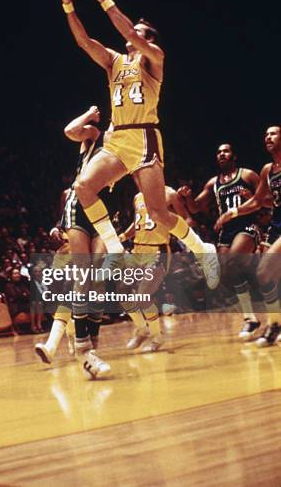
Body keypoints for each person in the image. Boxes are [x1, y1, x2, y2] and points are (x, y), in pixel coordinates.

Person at [55, 0, 220, 291]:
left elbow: (129, 29)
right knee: (84, 186)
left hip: (145, 138)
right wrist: (67, 6)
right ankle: (114, 246)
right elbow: (83, 41)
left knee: (159, 213)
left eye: (139, 33)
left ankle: (202, 249)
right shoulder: (114, 61)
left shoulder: (155, 59)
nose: (131, 35)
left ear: (148, 39)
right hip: (118, 138)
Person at [36, 106, 121, 379]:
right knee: (83, 276)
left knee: (97, 279)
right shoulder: (95, 135)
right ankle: (84, 347)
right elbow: (69, 130)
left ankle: (89, 347)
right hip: (79, 207)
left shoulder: (130, 147)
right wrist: (89, 113)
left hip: (105, 212)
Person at [178, 144, 261, 340]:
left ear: (234, 155)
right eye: (218, 152)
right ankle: (250, 318)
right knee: (225, 272)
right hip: (226, 232)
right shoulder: (213, 183)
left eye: (226, 151)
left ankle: (256, 292)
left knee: (232, 261)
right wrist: (187, 197)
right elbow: (196, 207)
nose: (221, 154)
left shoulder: (248, 175)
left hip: (248, 226)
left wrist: (251, 198)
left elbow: (264, 199)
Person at [215, 126, 281, 346]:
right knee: (269, 276)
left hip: (266, 228)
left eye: (273, 133)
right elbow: (257, 202)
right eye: (266, 134)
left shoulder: (250, 173)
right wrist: (231, 212)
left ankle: (274, 325)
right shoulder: (267, 170)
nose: (268, 137)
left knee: (264, 272)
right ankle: (273, 324)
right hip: (275, 226)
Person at [120, 186, 192, 352]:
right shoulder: (137, 196)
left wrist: (179, 235)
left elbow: (187, 219)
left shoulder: (170, 194)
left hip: (158, 250)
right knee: (121, 289)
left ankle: (157, 336)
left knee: (143, 295)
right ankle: (142, 328)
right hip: (137, 250)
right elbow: (139, 222)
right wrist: (123, 236)